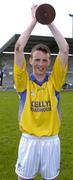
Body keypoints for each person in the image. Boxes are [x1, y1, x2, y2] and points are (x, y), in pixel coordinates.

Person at [14, 5, 69, 180]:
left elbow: (65, 48)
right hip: (29, 139)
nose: (40, 64)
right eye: (36, 59)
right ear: (30, 61)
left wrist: (49, 22)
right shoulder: (24, 82)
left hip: (51, 141)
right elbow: (18, 48)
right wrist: (34, 20)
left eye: (44, 60)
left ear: (49, 62)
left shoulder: (55, 82)